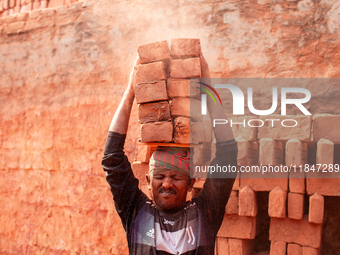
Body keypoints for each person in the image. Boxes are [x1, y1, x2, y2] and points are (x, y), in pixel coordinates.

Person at [102, 54, 238, 255]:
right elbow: (112, 158)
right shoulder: (136, 213)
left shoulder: (205, 214)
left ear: (191, 182)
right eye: (159, 177)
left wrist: (207, 86)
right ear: (148, 180)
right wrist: (129, 93)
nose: (166, 184)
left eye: (176, 177)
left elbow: (228, 153)